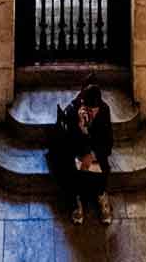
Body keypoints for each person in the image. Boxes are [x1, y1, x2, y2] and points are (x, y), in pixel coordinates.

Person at [47, 83, 114, 224]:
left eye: (93, 110)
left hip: (94, 151)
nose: (91, 114)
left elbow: (107, 143)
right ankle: (76, 201)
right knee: (69, 170)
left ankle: (101, 195)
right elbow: (66, 143)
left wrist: (92, 155)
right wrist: (81, 129)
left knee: (103, 167)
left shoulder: (104, 111)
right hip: (75, 151)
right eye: (88, 109)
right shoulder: (72, 111)